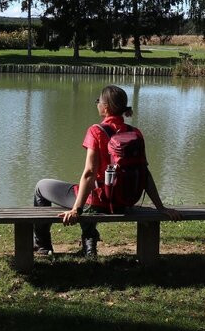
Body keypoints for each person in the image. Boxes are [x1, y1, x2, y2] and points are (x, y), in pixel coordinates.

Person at [32, 85, 181, 258]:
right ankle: (89, 246)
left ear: (106, 107)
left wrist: (76, 209)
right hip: (123, 200)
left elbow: (89, 173)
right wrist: (160, 207)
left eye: (98, 101)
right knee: (86, 190)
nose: (97, 104)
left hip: (98, 202)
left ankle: (42, 246)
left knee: (41, 187)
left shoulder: (96, 131)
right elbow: (144, 172)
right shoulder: (135, 133)